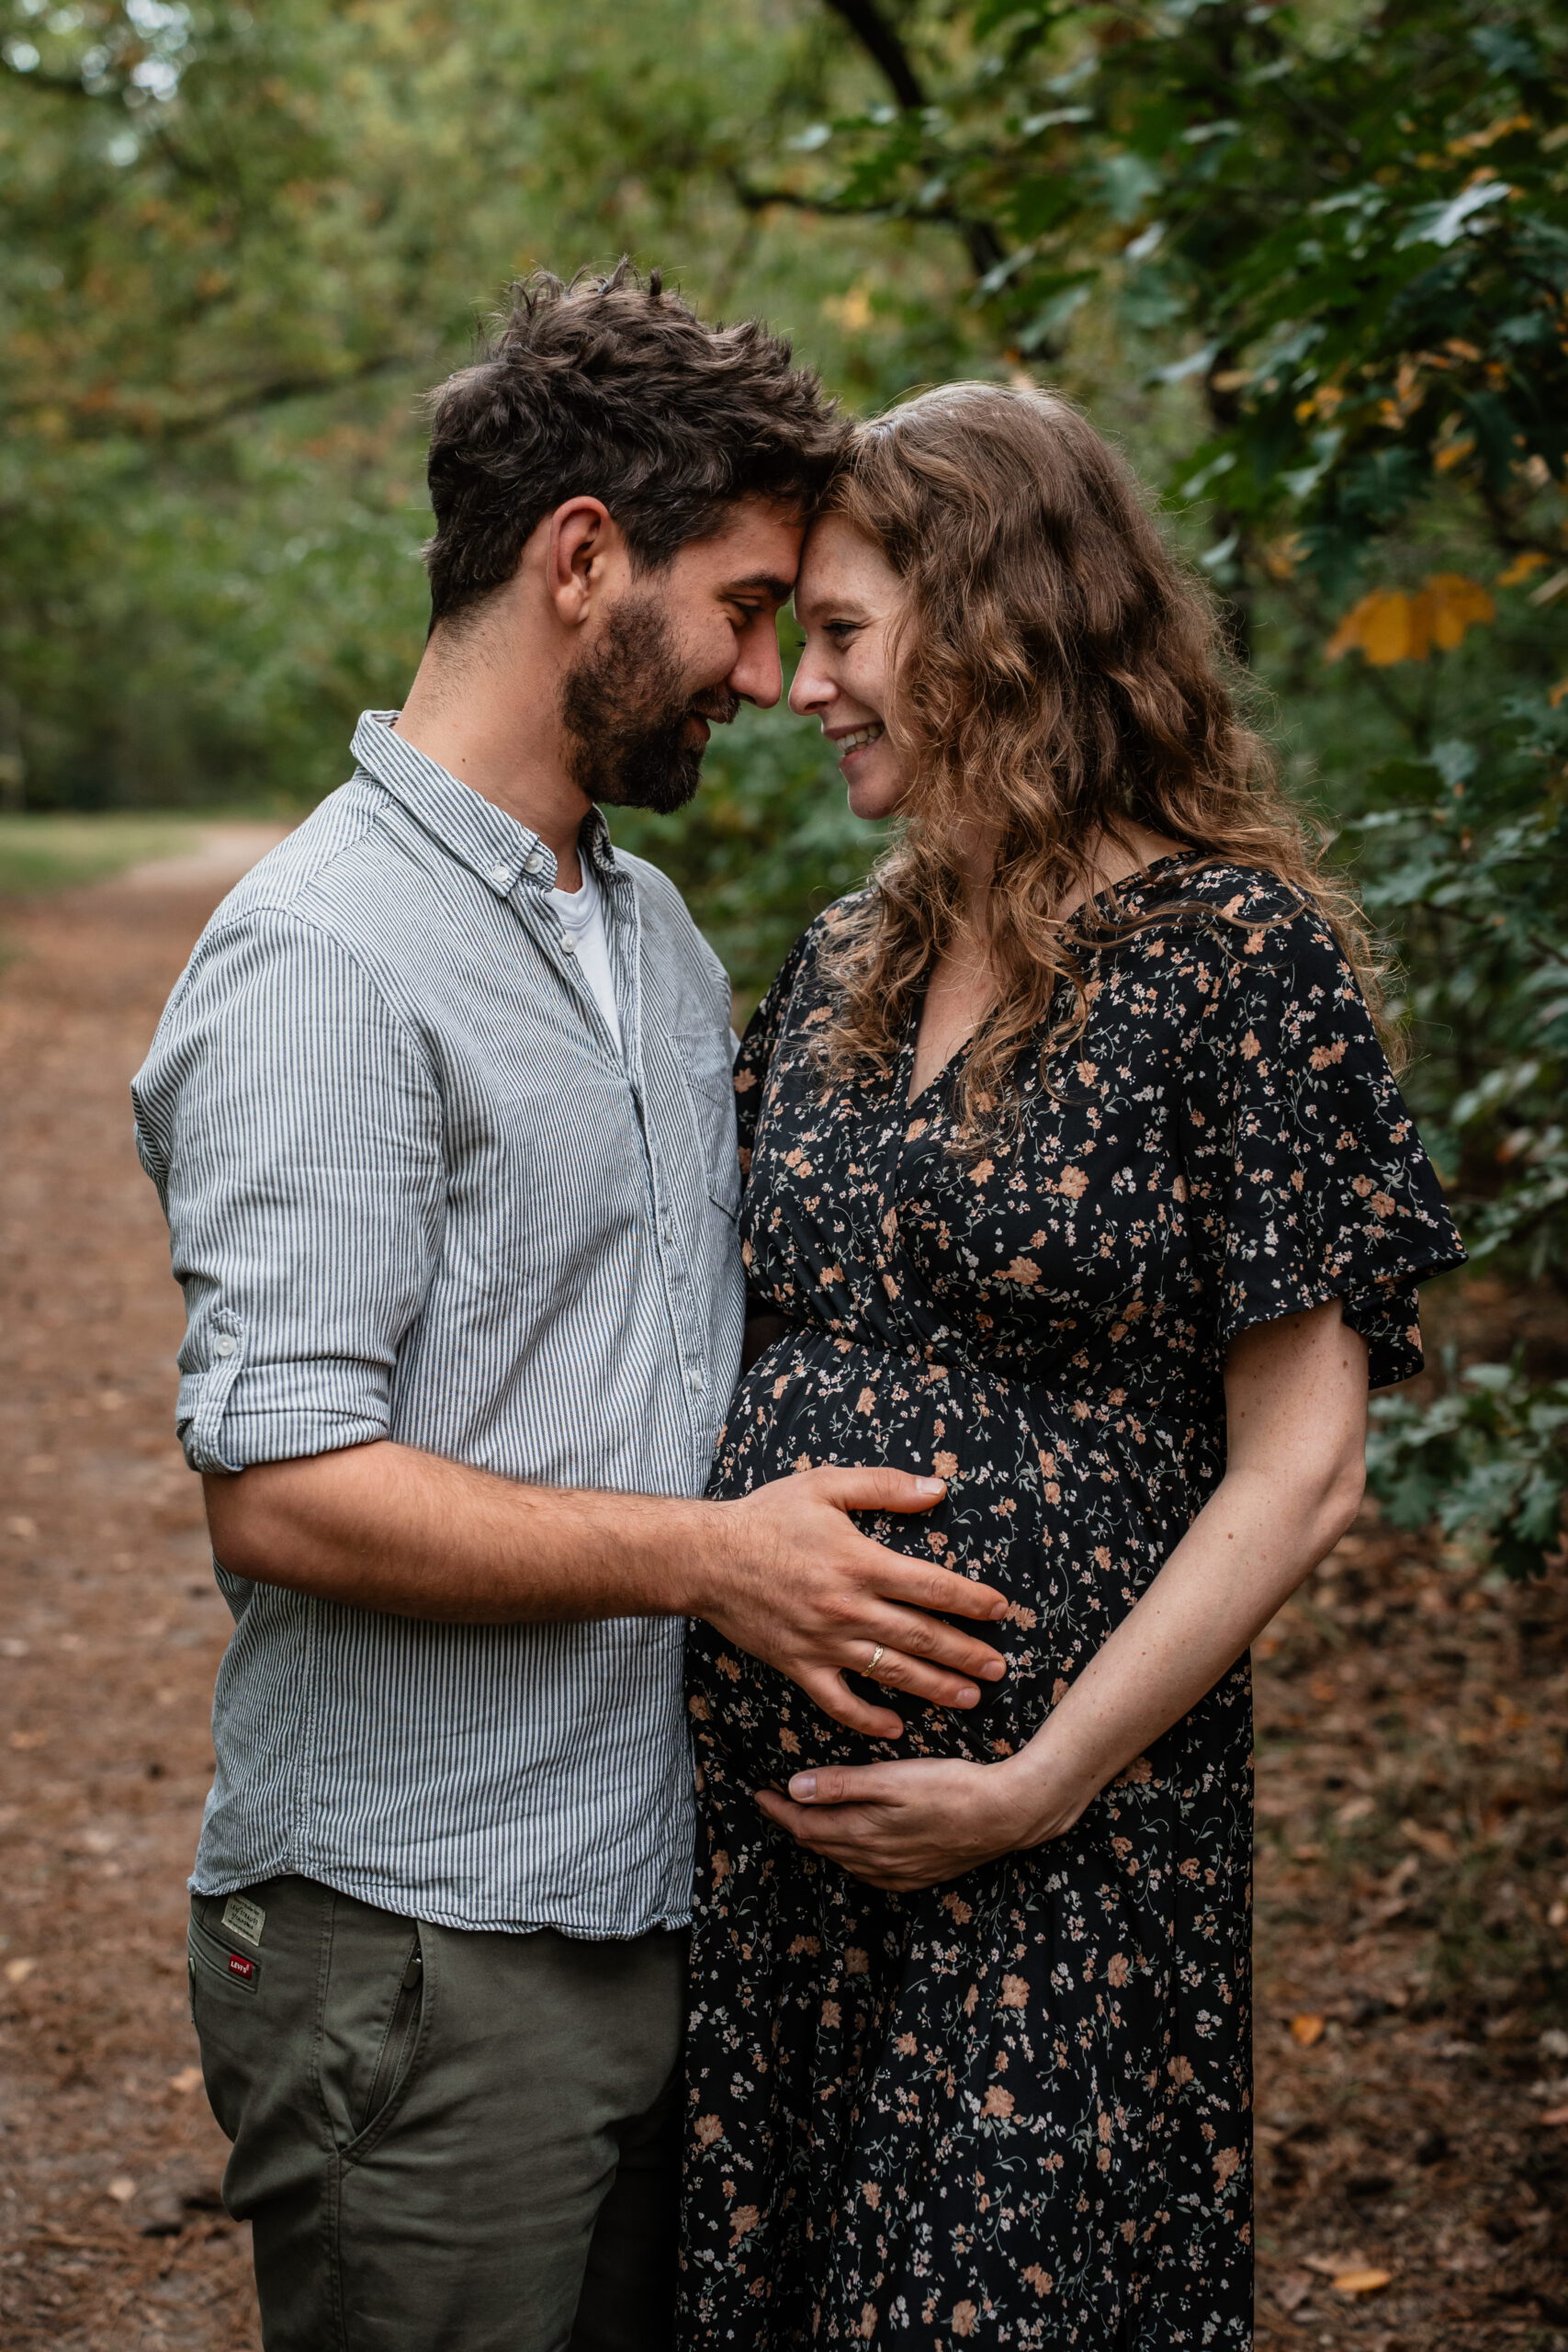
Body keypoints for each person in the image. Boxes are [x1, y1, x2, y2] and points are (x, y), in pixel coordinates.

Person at [130, 270, 1013, 2352]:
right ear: (581, 557)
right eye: (737, 605)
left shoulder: (649, 928)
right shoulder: (323, 958)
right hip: (421, 1946)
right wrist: (719, 1562)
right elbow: (282, 1490)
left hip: (655, 1895)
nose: (763, 671)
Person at [679, 383, 1465, 2348]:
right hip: (774, 1871)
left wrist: (1031, 1781)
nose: (804, 687)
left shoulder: (1232, 960)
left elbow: (1300, 1463)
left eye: (846, 634)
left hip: (1061, 1870)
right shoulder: (844, 951)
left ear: (997, 621)